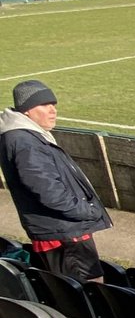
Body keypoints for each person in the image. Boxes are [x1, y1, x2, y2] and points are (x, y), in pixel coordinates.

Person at [0, 80, 111, 282]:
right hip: (64, 234)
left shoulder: (25, 137)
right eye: (44, 105)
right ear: (26, 110)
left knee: (78, 290)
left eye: (53, 104)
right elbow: (49, 192)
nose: (53, 111)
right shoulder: (25, 142)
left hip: (60, 231)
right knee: (87, 291)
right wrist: (88, 211)